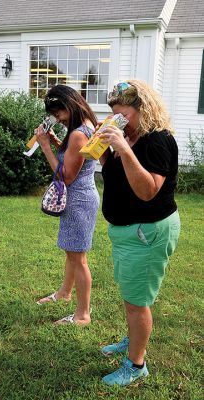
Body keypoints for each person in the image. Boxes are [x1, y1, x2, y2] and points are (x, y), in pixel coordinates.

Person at [98, 80, 180, 385]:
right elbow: (116, 175)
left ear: (143, 110)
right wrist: (105, 150)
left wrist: (123, 148)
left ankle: (136, 364)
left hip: (147, 231)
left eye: (124, 115)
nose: (120, 120)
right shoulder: (128, 137)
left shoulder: (157, 141)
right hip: (128, 231)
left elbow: (148, 191)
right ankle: (131, 340)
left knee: (137, 302)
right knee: (131, 293)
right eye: (115, 114)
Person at [35, 85, 100, 326]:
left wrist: (44, 146)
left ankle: (83, 315)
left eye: (59, 113)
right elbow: (76, 156)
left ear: (69, 106)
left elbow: (66, 175)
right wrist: (54, 141)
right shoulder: (85, 127)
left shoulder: (78, 134)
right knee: (72, 252)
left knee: (78, 257)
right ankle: (64, 293)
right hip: (82, 197)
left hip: (78, 200)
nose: (58, 118)